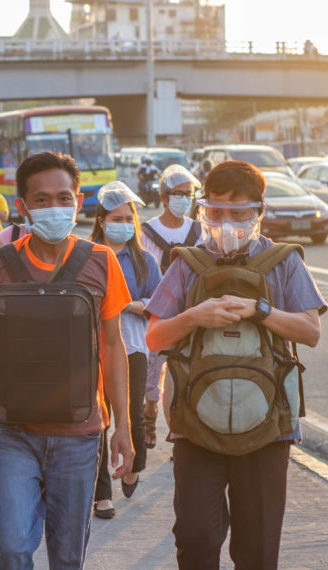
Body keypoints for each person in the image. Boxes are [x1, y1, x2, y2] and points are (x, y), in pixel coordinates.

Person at [0, 152, 134, 568]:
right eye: (41, 199)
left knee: (67, 557)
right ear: (21, 207)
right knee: (12, 546)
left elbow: (113, 346)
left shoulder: (101, 261)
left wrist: (124, 427)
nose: (54, 207)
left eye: (64, 197)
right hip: (15, 433)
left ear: (78, 202)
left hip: (80, 434)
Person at [145, 160, 326, 568]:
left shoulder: (284, 260)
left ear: (259, 211)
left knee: (258, 550)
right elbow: (155, 337)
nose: (226, 223)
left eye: (239, 213)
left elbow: (310, 331)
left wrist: (258, 309)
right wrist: (195, 316)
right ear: (203, 210)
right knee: (194, 539)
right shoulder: (186, 263)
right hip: (195, 426)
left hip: (268, 430)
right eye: (216, 212)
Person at [88, 181, 162, 520]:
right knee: (96, 420)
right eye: (115, 218)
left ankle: (134, 463)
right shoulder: (84, 254)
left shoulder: (143, 261)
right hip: (90, 348)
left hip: (131, 346)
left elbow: (160, 303)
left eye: (127, 217)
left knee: (129, 415)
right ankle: (102, 494)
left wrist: (133, 305)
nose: (122, 223)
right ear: (101, 220)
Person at [139, 164, 203, 449]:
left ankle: (180, 437)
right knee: (154, 382)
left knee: (187, 377)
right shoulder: (146, 232)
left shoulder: (200, 231)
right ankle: (149, 412)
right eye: (177, 194)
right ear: (164, 198)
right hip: (157, 314)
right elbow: (142, 273)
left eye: (188, 194)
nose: (183, 199)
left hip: (191, 313)